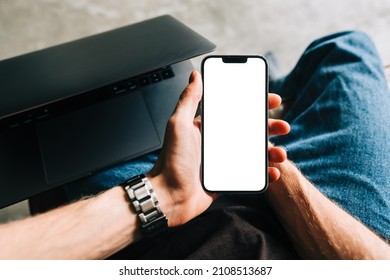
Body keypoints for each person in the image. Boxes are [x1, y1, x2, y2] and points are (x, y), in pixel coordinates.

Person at [0, 30, 389, 259]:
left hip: (182, 238)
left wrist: (166, 193)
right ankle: (273, 91)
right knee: (344, 49)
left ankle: (271, 94)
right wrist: (272, 171)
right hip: (344, 238)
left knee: (85, 128)